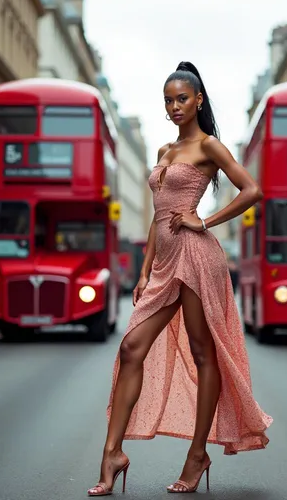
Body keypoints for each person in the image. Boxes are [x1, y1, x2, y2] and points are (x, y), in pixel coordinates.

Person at [88, 62, 272, 496]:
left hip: (196, 257)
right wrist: (145, 268)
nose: (174, 107)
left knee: (202, 352)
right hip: (164, 263)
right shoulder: (163, 152)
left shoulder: (210, 147)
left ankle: (197, 454)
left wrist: (204, 220)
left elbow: (252, 190)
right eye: (168, 100)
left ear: (198, 101)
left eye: (181, 99)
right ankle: (112, 452)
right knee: (132, 347)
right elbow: (157, 216)